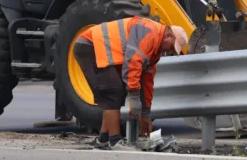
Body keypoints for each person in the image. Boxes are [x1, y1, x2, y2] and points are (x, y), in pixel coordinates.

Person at [73, 17, 188, 150]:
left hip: (98, 47)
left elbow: (147, 82)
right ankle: (115, 141)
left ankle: (103, 140)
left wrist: (145, 113)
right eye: (172, 47)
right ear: (168, 35)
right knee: (112, 91)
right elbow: (133, 62)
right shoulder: (150, 33)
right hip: (89, 45)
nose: (170, 51)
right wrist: (134, 96)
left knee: (115, 92)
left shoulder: (155, 51)